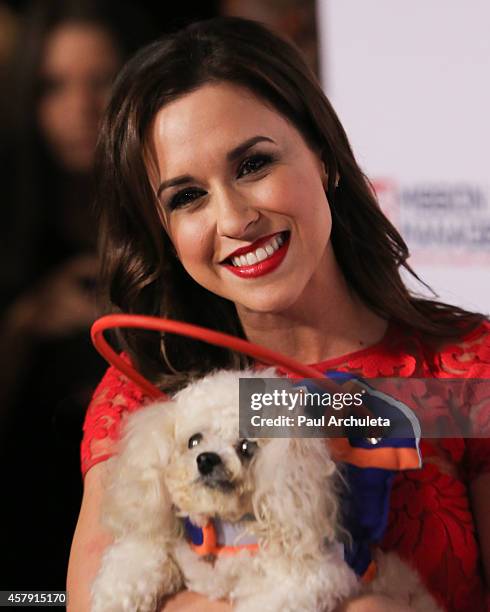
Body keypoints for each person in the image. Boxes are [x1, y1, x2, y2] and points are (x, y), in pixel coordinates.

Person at [67, 17, 490, 612]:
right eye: (188, 197)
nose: (235, 219)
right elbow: (98, 600)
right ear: (163, 232)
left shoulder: (467, 369)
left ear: (323, 157)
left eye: (253, 165)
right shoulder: (147, 392)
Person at [0, 0, 154, 590]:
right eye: (53, 86)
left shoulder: (175, 225)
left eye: (102, 81)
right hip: (30, 531)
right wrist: (21, 324)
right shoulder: (13, 225)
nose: (80, 108)